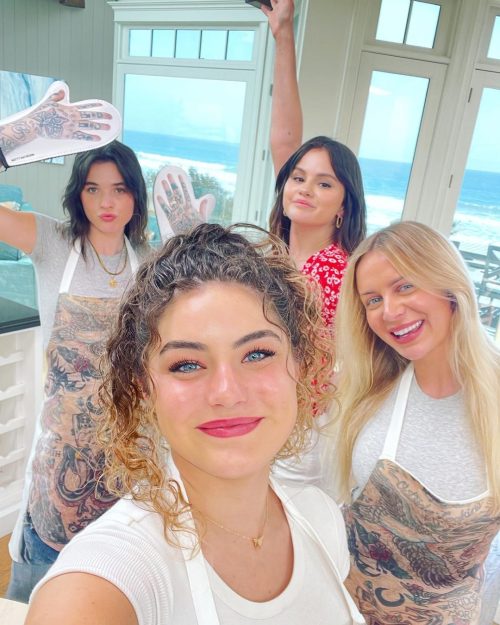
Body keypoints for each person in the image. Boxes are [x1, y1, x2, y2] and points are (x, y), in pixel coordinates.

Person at [24, 223, 364, 625]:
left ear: (300, 365)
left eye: (257, 354)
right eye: (186, 364)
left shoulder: (321, 520)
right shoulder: (111, 575)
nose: (227, 392)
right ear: (143, 387)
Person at [0, 139, 151, 602]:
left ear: (135, 195)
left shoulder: (151, 262)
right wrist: (7, 147)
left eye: (120, 189)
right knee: (36, 595)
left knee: (107, 594)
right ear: (77, 194)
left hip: (130, 465)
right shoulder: (53, 242)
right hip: (59, 464)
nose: (107, 202)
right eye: (93, 188)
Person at [327, 221, 500, 625]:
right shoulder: (369, 391)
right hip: (341, 609)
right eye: (372, 299)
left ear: (448, 285)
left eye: (404, 286)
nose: (389, 311)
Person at [262, 0, 366, 329]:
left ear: (344, 206)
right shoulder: (286, 255)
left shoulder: (333, 270)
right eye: (298, 178)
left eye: (324, 183)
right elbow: (284, 141)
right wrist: (283, 34)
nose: (305, 189)